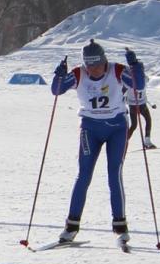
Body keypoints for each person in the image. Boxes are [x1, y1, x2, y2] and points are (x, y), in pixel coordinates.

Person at [50, 39, 139, 245]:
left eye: (97, 65)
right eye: (89, 66)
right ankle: (71, 227)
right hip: (90, 128)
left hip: (117, 128)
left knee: (114, 174)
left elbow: (139, 84)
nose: (94, 70)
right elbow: (56, 90)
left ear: (104, 61)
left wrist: (135, 66)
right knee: (83, 176)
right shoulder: (79, 74)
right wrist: (59, 75)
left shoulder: (117, 70)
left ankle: (120, 226)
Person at [123, 46, 158, 150]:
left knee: (134, 125)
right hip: (141, 103)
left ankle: (123, 143)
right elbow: (146, 79)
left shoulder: (127, 73)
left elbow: (123, 89)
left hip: (133, 104)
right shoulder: (140, 72)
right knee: (147, 120)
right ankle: (147, 142)